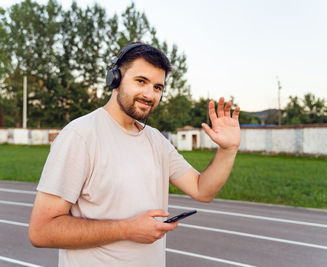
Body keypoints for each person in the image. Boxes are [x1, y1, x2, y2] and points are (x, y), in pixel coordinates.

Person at [28, 42, 241, 267]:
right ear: (115, 79)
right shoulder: (80, 135)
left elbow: (202, 190)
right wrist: (128, 229)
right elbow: (42, 231)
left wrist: (228, 149)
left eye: (158, 87)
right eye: (141, 81)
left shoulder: (156, 140)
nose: (150, 94)